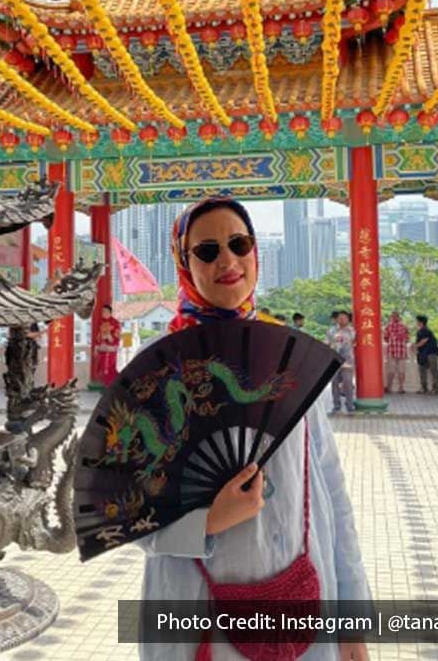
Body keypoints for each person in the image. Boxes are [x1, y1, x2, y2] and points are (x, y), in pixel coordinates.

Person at [139, 197, 370, 661]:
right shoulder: (158, 369)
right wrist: (209, 521)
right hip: (198, 619)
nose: (227, 259)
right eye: (206, 250)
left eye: (239, 243)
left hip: (308, 606)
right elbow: (124, 512)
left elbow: (330, 491)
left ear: (254, 252)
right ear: (184, 263)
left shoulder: (291, 358)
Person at [330, 311, 356, 414]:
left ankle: (349, 405)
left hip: (347, 360)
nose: (342, 319)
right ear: (337, 319)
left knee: (348, 382)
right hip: (334, 360)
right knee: (334, 382)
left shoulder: (352, 331)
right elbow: (327, 343)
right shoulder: (331, 331)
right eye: (340, 318)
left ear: (348, 319)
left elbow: (355, 343)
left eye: (344, 318)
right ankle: (336, 406)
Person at [94, 303, 121, 385]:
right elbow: (97, 336)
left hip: (110, 350)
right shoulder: (100, 322)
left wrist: (109, 337)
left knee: (109, 369)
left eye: (105, 311)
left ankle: (112, 386)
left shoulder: (116, 323)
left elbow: (117, 338)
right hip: (102, 350)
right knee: (102, 369)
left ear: (109, 312)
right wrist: (96, 348)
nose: (103, 313)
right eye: (102, 311)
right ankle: (107, 385)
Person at [383, 312, 409, 394]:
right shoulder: (404, 326)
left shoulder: (388, 326)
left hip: (392, 350)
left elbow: (385, 338)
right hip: (402, 350)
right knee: (401, 370)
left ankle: (390, 387)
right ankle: (401, 388)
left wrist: (392, 340)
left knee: (391, 370)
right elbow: (408, 338)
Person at [414, 315, 438, 394]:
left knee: (433, 370)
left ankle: (435, 388)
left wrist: (415, 346)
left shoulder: (426, 330)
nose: (416, 323)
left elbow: (423, 341)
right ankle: (424, 387)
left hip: (431, 353)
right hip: (423, 354)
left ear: (421, 322)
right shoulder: (419, 331)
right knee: (422, 371)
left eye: (417, 321)